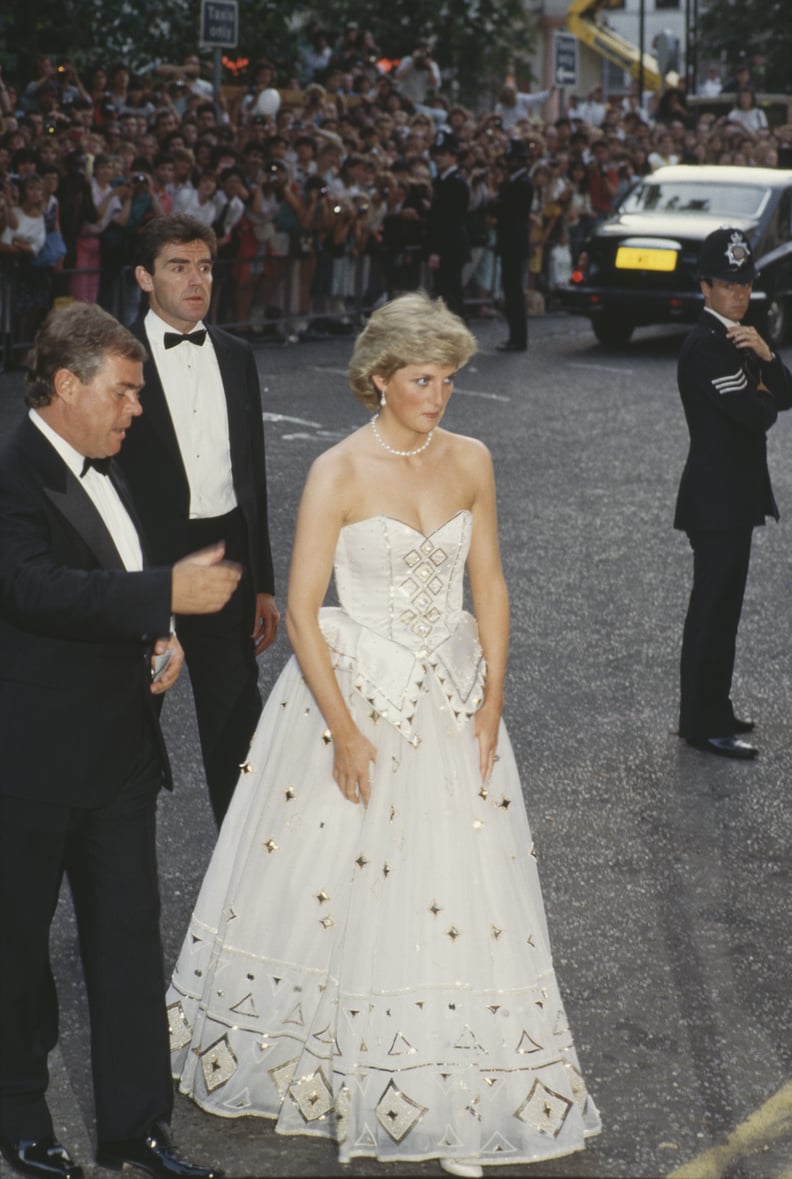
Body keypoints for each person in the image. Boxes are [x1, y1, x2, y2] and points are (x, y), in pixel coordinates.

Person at [165, 291, 601, 1175]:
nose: (438, 396)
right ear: (377, 381)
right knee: (332, 882)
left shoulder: (472, 459)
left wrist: (492, 701)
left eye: (447, 379)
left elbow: (493, 586)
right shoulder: (338, 470)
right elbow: (299, 606)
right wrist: (344, 732)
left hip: (450, 689)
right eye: (421, 379)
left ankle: (451, 1083)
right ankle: (330, 1061)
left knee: (459, 887)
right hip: (353, 690)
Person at [0, 302, 242, 1179]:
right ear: (68, 385)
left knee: (130, 945)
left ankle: (135, 1128)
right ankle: (20, 1115)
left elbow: (110, 579)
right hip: (28, 760)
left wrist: (160, 636)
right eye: (126, 392)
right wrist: (160, 594)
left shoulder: (110, 462)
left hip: (119, 758)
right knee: (17, 950)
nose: (137, 409)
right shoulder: (12, 468)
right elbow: (31, 587)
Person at [116, 213, 280, 825]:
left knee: (238, 726)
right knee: (131, 719)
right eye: (177, 267)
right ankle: (112, 876)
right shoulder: (116, 358)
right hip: (146, 563)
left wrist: (262, 580)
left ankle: (247, 876)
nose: (195, 281)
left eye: (204, 267)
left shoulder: (237, 356)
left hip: (225, 555)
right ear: (143, 277)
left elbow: (253, 479)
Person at [675, 228, 792, 759]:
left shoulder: (742, 338)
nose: (738, 295)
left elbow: (782, 398)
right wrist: (762, 394)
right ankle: (700, 724)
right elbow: (754, 415)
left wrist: (768, 358)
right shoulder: (706, 346)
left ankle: (715, 710)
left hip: (735, 496)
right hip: (715, 498)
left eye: (744, 284)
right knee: (711, 611)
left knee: (726, 613)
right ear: (705, 287)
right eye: (727, 285)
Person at [491, 137, 533, 352]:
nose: (509, 163)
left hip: (514, 242)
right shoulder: (513, 182)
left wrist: (496, 203)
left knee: (514, 291)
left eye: (513, 159)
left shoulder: (522, 183)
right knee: (511, 290)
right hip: (511, 241)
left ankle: (518, 337)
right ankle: (516, 336)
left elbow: (508, 210)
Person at [425, 129, 470, 319]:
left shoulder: (456, 183)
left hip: (450, 248)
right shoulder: (441, 180)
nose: (438, 158)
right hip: (446, 246)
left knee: (450, 295)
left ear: (453, 156)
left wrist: (437, 251)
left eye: (443, 154)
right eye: (437, 154)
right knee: (444, 294)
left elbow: (451, 220)